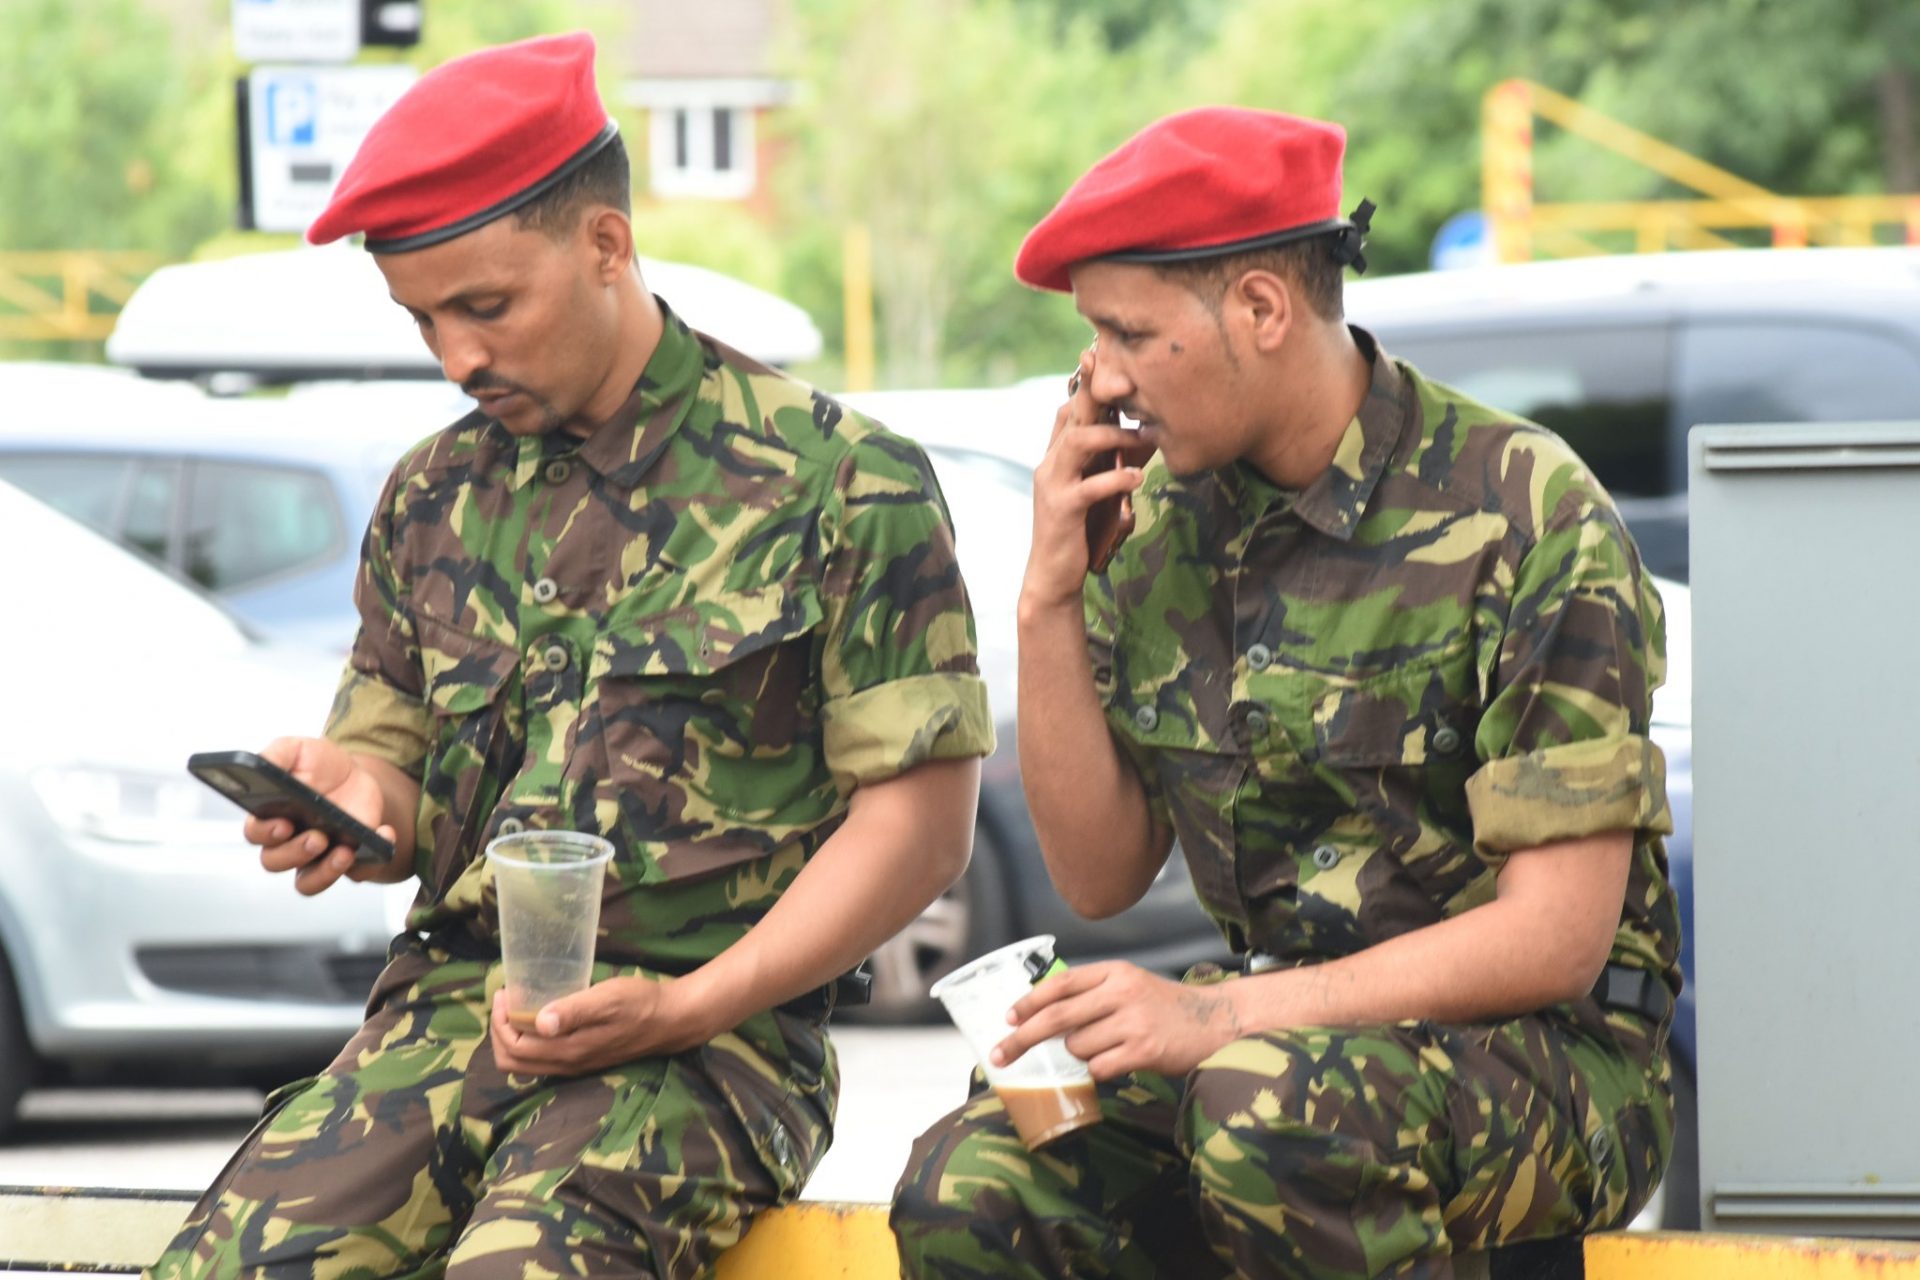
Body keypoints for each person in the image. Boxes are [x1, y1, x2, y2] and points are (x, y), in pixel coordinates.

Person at [148, 31, 994, 1280]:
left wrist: (693, 1002)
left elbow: (921, 830)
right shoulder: (433, 494)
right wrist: (348, 805)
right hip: (451, 1014)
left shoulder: (840, 481)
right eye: (423, 318)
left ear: (607, 245)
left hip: (710, 1043)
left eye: (486, 306)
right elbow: (392, 769)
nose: (457, 356)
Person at [890, 106, 1679, 1279]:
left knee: (1270, 1113)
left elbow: (1557, 937)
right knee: (971, 1178)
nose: (1098, 376)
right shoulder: (1160, 522)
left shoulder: (1523, 509)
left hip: (1548, 1061)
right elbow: (1100, 875)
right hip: (1277, 1056)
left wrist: (1215, 1017)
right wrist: (1047, 597)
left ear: (1261, 309)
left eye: (1127, 331)